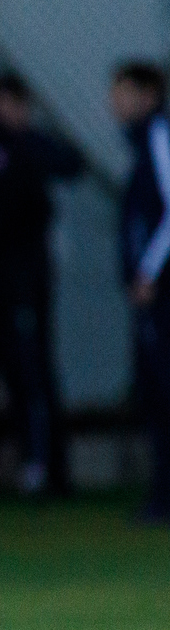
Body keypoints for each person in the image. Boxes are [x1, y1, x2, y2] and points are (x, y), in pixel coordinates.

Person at [0, 71, 83, 495]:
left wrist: (27, 138)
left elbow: (71, 163)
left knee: (33, 371)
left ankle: (44, 465)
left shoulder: (29, 144)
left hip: (27, 280)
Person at [113, 60, 170, 519]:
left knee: (163, 390)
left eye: (124, 92)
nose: (115, 103)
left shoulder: (158, 135)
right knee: (153, 391)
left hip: (162, 292)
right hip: (153, 291)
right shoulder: (141, 143)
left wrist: (149, 270)